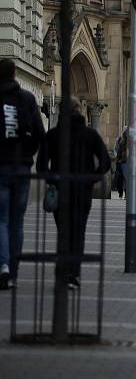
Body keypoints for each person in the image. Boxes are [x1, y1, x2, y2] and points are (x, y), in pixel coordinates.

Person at [37, 97, 110, 290]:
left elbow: (41, 166)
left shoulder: (52, 135)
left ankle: (62, 271)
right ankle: (73, 274)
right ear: (80, 111)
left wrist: (52, 180)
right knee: (78, 232)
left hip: (60, 190)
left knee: (63, 232)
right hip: (82, 191)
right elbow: (105, 162)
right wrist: (91, 179)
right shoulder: (90, 135)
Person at [0, 59, 45, 290]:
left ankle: (3, 266)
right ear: (15, 74)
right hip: (22, 168)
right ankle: (13, 271)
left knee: (1, 219)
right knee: (17, 222)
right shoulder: (27, 99)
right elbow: (39, 132)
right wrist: (29, 155)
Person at [113, 127, 128, 198]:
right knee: (124, 177)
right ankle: (122, 191)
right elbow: (117, 150)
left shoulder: (134, 141)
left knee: (127, 178)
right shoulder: (121, 140)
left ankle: (127, 192)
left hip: (131, 161)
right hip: (123, 161)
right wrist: (118, 159)